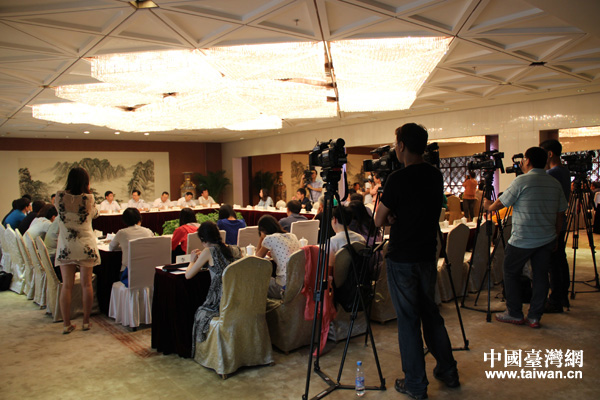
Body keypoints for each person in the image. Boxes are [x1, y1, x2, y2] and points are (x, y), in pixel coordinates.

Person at [375, 123, 459, 399]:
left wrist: (391, 216)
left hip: (402, 258)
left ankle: (415, 384)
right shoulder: (435, 175)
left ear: (401, 145)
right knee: (430, 315)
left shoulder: (397, 179)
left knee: (409, 321)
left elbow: (378, 219)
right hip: (426, 255)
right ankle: (448, 370)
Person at [485, 146, 567, 328]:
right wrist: (556, 236)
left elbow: (502, 202)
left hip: (522, 238)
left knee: (510, 271)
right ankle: (534, 316)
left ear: (528, 161)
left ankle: (514, 313)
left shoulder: (521, 181)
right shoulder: (554, 183)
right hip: (547, 238)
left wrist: (488, 207)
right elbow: (560, 213)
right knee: (540, 276)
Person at [55, 167, 100, 334]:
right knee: (86, 284)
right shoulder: (89, 198)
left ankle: (66, 324)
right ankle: (86, 321)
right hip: (86, 245)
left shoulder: (59, 196)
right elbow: (95, 214)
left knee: (66, 285)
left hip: (66, 245)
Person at [186, 221, 241, 357]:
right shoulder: (232, 249)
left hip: (220, 301)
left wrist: (192, 260)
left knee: (200, 313)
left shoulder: (208, 251)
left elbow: (188, 275)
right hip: (237, 296)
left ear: (203, 239)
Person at [539, 139, 572, 313]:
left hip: (553, 223)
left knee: (553, 263)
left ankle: (555, 300)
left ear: (550, 154)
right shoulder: (564, 171)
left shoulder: (553, 173)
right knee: (560, 260)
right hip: (560, 221)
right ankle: (562, 296)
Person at [256, 214, 300, 299]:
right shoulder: (292, 235)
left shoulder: (269, 238)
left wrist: (261, 237)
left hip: (283, 288)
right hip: (298, 285)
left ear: (262, 230)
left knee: (257, 278)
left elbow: (257, 257)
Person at [109, 207, 154, 287]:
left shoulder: (122, 233)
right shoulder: (148, 231)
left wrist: (124, 246)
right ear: (139, 218)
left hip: (128, 274)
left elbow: (111, 248)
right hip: (147, 272)